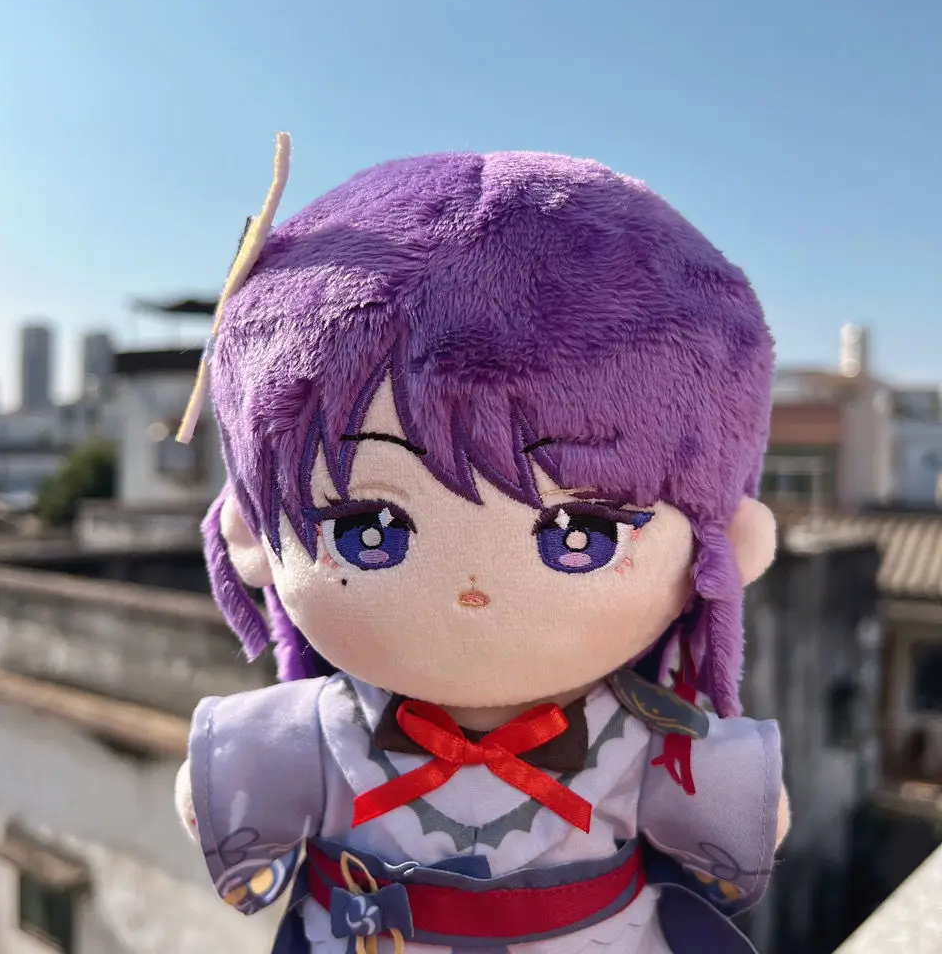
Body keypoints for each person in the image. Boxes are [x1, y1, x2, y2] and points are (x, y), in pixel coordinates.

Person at [174, 136, 789, 953]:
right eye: (368, 528)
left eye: (581, 533)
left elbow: (735, 809)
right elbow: (237, 779)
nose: (472, 588)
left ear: (725, 549)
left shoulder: (640, 738)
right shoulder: (323, 732)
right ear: (252, 537)